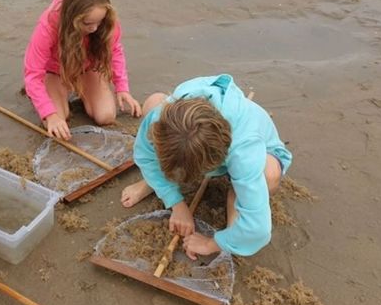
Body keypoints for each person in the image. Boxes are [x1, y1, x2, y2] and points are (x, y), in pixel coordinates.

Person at [120, 74, 293, 258]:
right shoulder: (162, 117)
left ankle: (236, 190)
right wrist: (177, 204)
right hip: (205, 147)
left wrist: (213, 243)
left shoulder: (243, 149)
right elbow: (146, 155)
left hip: (261, 153)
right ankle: (154, 182)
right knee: (153, 102)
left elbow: (258, 230)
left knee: (268, 176)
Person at [23, 0, 142, 141]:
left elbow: (115, 50)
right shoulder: (48, 26)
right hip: (56, 71)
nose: (94, 29)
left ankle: (79, 90)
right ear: (72, 18)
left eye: (99, 22)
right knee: (59, 120)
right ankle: (49, 94)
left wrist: (122, 88)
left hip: (87, 68)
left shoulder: (106, 21)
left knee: (106, 116)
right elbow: (32, 74)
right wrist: (50, 115)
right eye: (87, 23)